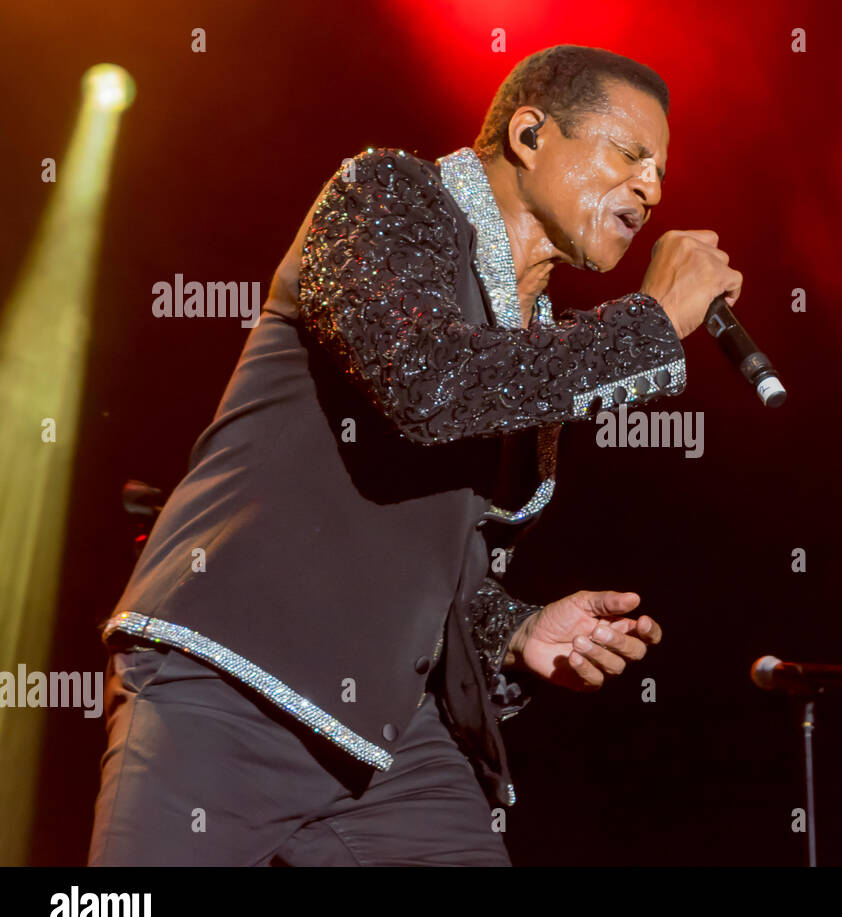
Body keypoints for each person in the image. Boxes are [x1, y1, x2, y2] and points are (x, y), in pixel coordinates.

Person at [87, 43, 742, 865]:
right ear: (531, 134)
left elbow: (432, 560)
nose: (651, 188)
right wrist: (650, 319)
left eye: (662, 172)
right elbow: (427, 385)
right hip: (231, 684)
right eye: (630, 154)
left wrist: (518, 629)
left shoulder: (531, 343)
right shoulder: (390, 195)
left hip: (391, 738)